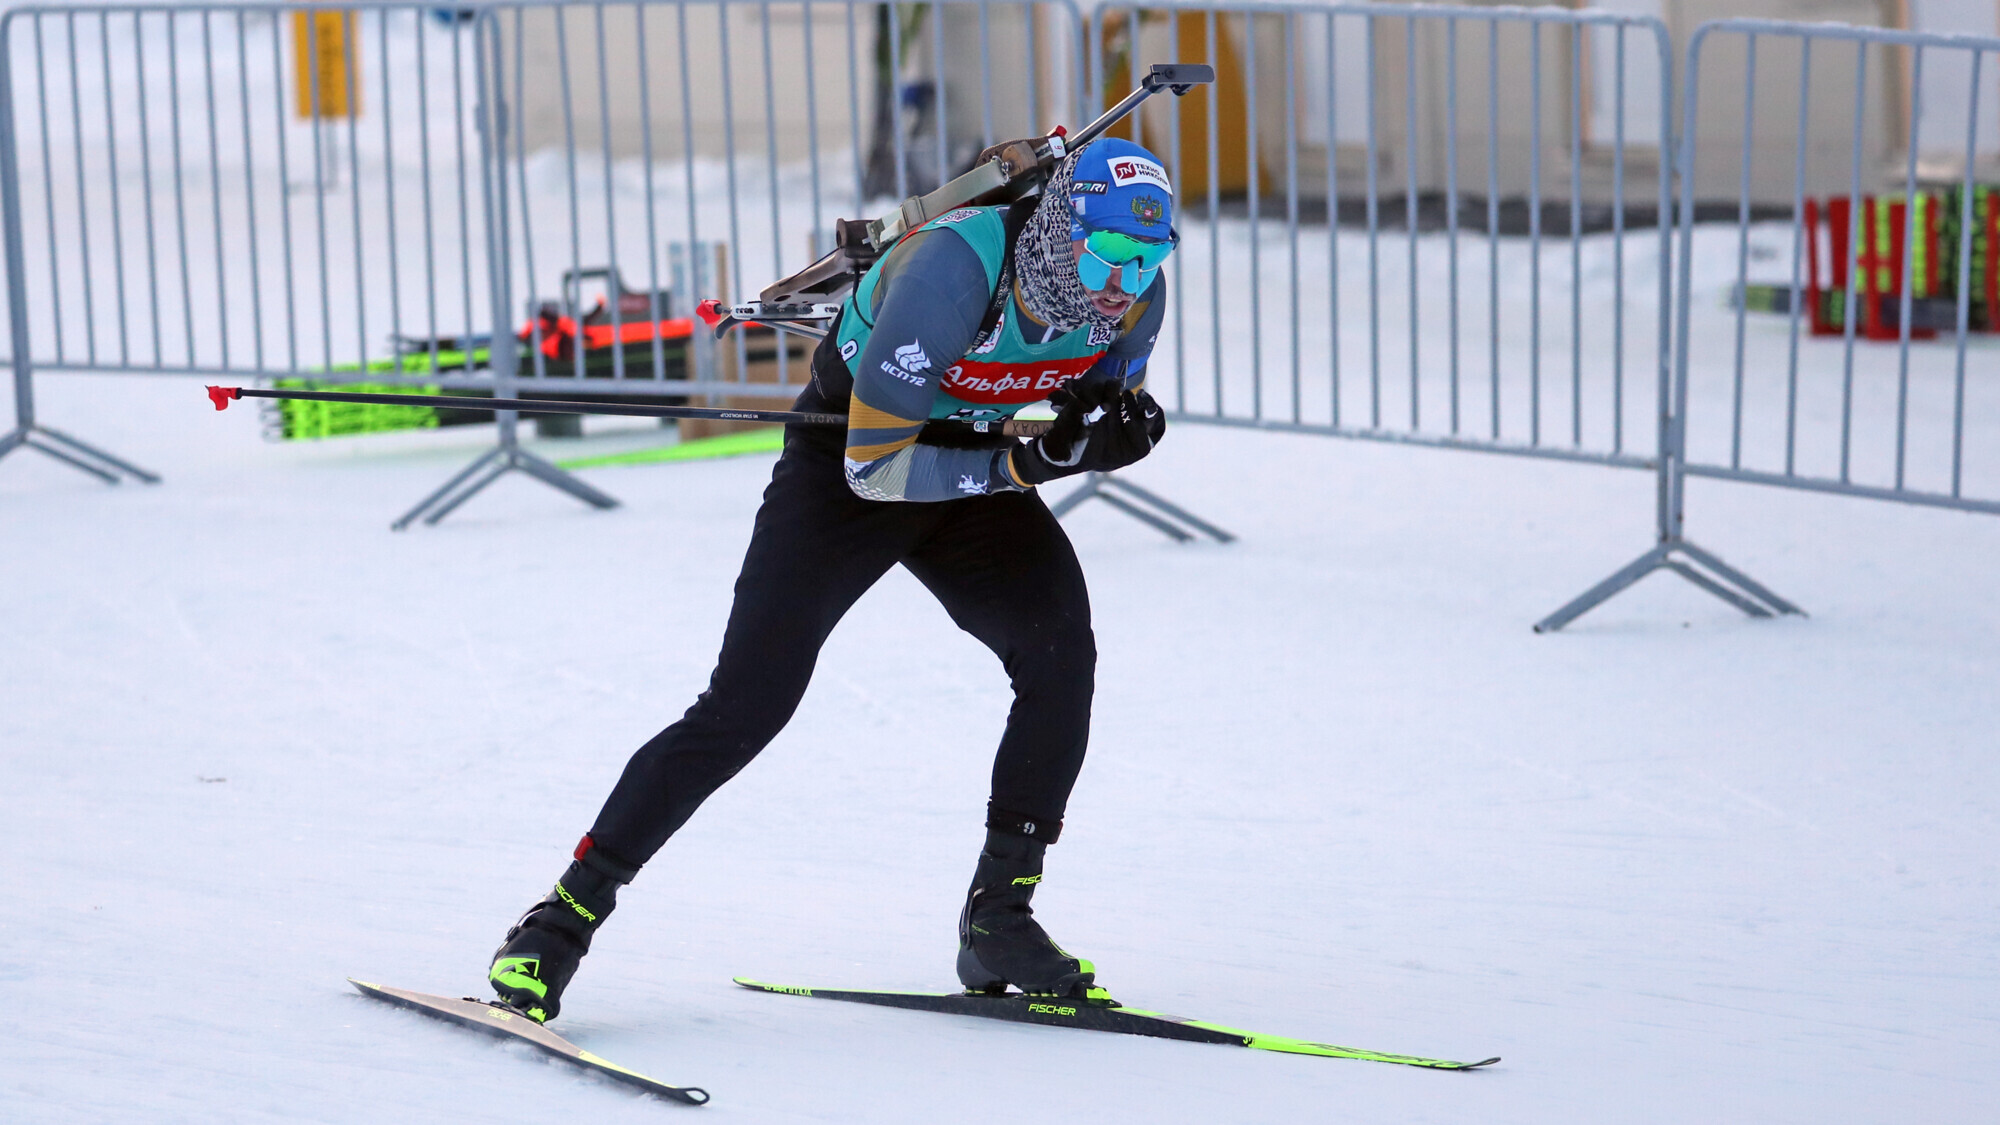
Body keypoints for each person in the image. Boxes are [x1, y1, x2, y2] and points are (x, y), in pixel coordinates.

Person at [487, 137, 1179, 1023]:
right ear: (1057, 228)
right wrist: (1031, 463)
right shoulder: (949, 272)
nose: (1127, 280)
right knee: (746, 704)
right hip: (849, 465)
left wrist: (1107, 428)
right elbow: (875, 472)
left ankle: (999, 917)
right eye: (1111, 252)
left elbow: (1099, 402)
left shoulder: (1133, 300)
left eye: (1150, 255)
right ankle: (561, 919)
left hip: (969, 463)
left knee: (1059, 656)